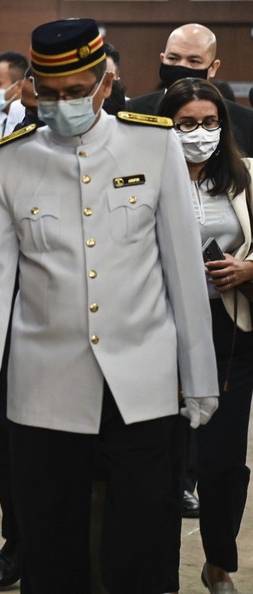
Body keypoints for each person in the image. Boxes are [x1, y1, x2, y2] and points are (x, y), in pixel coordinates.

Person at [0, 18, 219, 594]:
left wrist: (199, 375)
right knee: (51, 545)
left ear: (104, 83)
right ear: (31, 88)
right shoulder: (9, 160)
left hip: (142, 385)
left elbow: (183, 275)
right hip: (46, 387)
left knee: (144, 545)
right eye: (49, 93)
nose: (63, 104)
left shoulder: (154, 144)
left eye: (76, 91)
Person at [157, 77, 253, 594]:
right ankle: (159, 567)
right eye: (188, 123)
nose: (200, 133)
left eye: (210, 123)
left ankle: (219, 562)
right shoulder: (147, 178)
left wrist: (247, 270)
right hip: (163, 335)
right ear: (167, 126)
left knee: (222, 461)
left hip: (231, 332)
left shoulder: (247, 178)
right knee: (163, 459)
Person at [127, 23, 253, 157]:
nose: (181, 66)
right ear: (162, 59)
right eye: (173, 58)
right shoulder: (131, 111)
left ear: (213, 68)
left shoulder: (245, 121)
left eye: (194, 61)